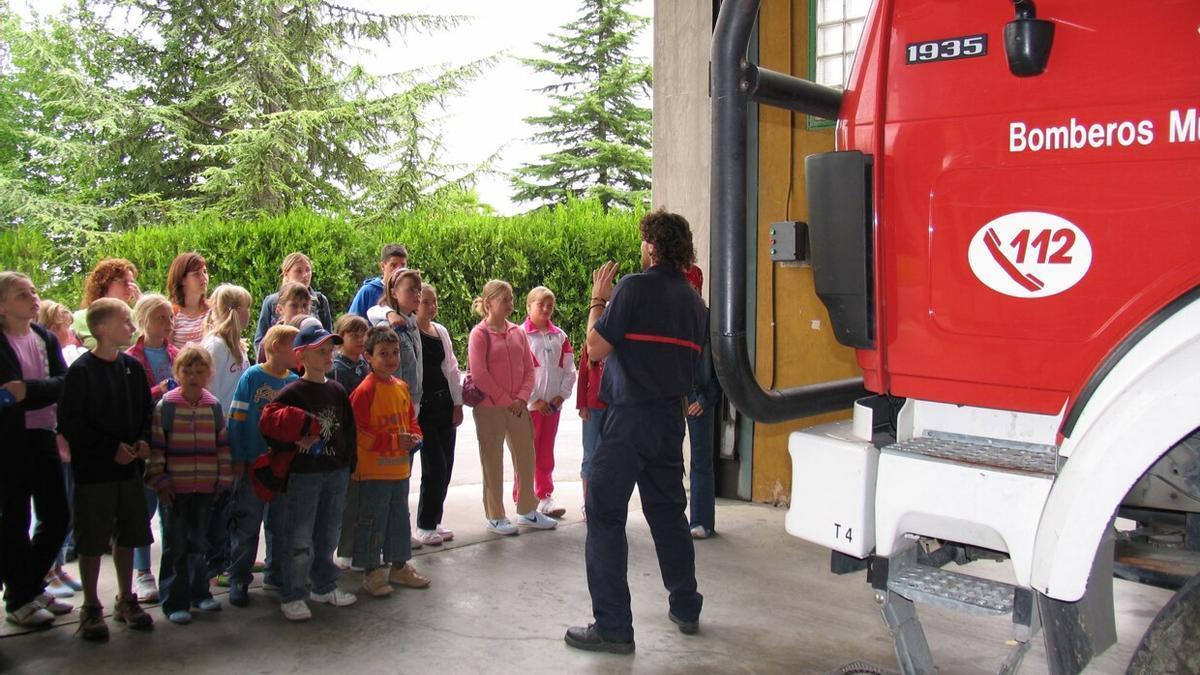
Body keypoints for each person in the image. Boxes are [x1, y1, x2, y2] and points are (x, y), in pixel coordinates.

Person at [565, 209, 708, 655]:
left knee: (604, 513)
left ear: (651, 246)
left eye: (644, 241)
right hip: (670, 421)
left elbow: (594, 347)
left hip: (630, 419)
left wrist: (597, 301)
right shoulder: (693, 303)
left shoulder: (633, 287)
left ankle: (613, 628)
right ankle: (686, 606)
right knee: (668, 513)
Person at [59, 297, 156, 640]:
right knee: (91, 538)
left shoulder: (131, 370)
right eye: (125, 321)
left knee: (128, 534)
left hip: (129, 471)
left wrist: (144, 442)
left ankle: (126, 598)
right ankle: (90, 606)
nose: (132, 327)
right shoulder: (81, 373)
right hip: (95, 472)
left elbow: (146, 412)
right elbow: (71, 423)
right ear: (100, 328)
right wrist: (108, 449)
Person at [259, 323, 358, 621]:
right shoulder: (292, 392)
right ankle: (293, 593)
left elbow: (348, 431)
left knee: (328, 533)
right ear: (301, 354)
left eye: (330, 350)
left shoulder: (337, 390)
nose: (329, 355)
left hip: (335, 471)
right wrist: (293, 437)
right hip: (304, 474)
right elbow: (271, 428)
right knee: (299, 536)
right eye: (321, 351)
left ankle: (323, 585)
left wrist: (349, 464)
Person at [0, 272, 71, 627]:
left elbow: (62, 383)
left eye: (33, 291)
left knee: (57, 516)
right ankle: (19, 598)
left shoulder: (43, 336)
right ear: (1, 306)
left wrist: (27, 390)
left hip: (43, 433)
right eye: (21, 294)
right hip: (9, 441)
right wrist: (21, 394)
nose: (33, 297)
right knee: (15, 520)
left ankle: (29, 585)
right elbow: (4, 398)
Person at [145, 346, 233, 624]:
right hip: (175, 489)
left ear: (208, 374)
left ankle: (200, 593)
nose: (193, 376)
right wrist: (160, 481)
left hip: (205, 488)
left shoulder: (213, 406)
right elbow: (157, 448)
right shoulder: (166, 406)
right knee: (175, 546)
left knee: (199, 543)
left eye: (199, 371)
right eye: (187, 371)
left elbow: (222, 447)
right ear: (177, 372)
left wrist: (223, 479)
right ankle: (174, 601)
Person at [467, 280, 558, 536]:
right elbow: (479, 373)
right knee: (492, 461)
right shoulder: (479, 334)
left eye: (510, 299)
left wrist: (521, 397)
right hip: (490, 409)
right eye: (504, 299)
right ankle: (495, 515)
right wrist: (507, 399)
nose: (510, 304)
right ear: (488, 304)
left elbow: (530, 368)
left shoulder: (517, 332)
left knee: (526, 457)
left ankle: (528, 510)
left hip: (518, 408)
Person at [349, 326, 431, 597]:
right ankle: (371, 571)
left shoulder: (402, 387)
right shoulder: (365, 391)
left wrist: (416, 436)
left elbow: (411, 420)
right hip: (373, 473)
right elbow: (359, 434)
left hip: (399, 470)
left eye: (395, 352)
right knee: (372, 519)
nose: (391, 359)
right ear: (368, 356)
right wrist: (395, 442)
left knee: (399, 519)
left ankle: (399, 565)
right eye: (383, 354)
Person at [225, 324, 299, 608]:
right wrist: (239, 457)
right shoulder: (252, 377)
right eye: (294, 346)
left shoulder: (294, 381)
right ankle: (239, 579)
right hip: (253, 465)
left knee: (280, 525)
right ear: (277, 346)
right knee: (246, 524)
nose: (298, 353)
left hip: (282, 468)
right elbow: (237, 418)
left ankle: (276, 573)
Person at [125, 293, 179, 603]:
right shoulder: (132, 358)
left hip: (173, 437)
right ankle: (142, 572)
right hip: (147, 439)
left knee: (170, 506)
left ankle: (170, 573)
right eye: (161, 317)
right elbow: (129, 400)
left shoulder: (176, 353)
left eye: (170, 317)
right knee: (144, 508)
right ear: (144, 321)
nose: (169, 323)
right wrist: (157, 390)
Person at [199, 284, 252, 588]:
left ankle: (229, 557)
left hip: (236, 431)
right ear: (236, 309)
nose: (249, 313)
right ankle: (214, 563)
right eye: (246, 306)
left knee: (231, 501)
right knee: (219, 503)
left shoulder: (236, 346)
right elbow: (211, 394)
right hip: (220, 433)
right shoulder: (215, 347)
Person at [35, 300, 85, 595]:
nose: (71, 330)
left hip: (63, 439)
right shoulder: (56, 351)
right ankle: (47, 571)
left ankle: (57, 568)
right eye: (66, 325)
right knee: (53, 510)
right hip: (53, 438)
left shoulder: (63, 351)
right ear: (54, 327)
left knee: (64, 507)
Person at [518, 286, 576, 519]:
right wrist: (534, 399)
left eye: (549, 305)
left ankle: (545, 495)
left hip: (552, 407)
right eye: (540, 304)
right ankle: (523, 495)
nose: (545, 309)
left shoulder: (560, 336)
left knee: (545, 452)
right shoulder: (521, 335)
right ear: (528, 306)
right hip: (529, 407)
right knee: (525, 452)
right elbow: (520, 370)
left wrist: (561, 395)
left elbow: (569, 369)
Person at [413, 284, 463, 546]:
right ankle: (424, 524)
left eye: (434, 302)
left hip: (445, 405)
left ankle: (435, 519)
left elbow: (452, 368)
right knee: (434, 467)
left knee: (447, 465)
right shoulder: (409, 331)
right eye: (425, 302)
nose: (431, 307)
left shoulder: (440, 331)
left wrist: (458, 402)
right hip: (424, 410)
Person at [684, 266, 722, 540]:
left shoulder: (712, 323)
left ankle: (701, 522)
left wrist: (707, 398)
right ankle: (672, 520)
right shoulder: (669, 320)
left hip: (700, 397)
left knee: (701, 462)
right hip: (673, 396)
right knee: (670, 461)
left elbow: (724, 368)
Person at [329, 313, 370, 568]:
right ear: (340, 338)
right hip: (347, 439)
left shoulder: (366, 366)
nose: (358, 339)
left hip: (366, 439)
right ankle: (345, 551)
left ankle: (361, 547)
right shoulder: (336, 369)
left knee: (364, 496)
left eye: (362, 334)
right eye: (352, 334)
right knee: (348, 499)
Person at [253, 253, 334, 355]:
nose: (305, 275)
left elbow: (328, 336)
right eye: (298, 271)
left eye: (308, 270)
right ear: (286, 274)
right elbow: (260, 340)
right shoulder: (272, 301)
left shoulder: (320, 301)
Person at [366, 268, 423, 409]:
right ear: (393, 293)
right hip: (395, 401)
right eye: (410, 290)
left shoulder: (413, 322)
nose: (417, 295)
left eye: (418, 290)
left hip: (414, 397)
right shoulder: (388, 326)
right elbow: (387, 370)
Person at [71, 258, 141, 350]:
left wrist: (143, 305)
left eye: (132, 282)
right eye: (123, 281)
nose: (129, 287)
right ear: (105, 282)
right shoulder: (78, 319)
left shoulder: (137, 317)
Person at [575, 340, 606, 521]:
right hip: (593, 408)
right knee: (590, 454)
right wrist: (582, 405)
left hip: (614, 408)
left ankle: (605, 501)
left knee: (610, 457)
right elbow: (584, 375)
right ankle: (588, 503)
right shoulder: (590, 343)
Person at [348, 244, 408, 320]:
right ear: (383, 266)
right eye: (393, 265)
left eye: (403, 265)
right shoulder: (368, 291)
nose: (398, 270)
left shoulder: (410, 293)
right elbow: (351, 323)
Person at [256, 282, 311, 363]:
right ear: (280, 309)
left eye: (305, 305)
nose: (301, 310)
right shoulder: (270, 340)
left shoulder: (314, 337)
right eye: (294, 305)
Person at [166, 252, 210, 348]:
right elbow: (168, 352)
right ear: (182, 280)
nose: (204, 277)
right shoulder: (171, 313)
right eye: (196, 274)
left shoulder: (213, 310)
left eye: (205, 272)